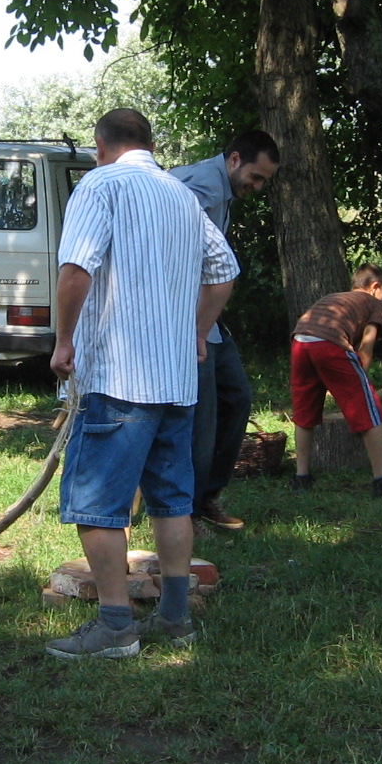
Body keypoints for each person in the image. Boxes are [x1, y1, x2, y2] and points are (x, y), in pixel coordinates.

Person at [47, 109, 239, 659]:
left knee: (96, 504)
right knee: (172, 501)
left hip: (118, 375)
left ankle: (115, 626)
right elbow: (223, 270)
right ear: (149, 145)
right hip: (176, 378)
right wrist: (197, 333)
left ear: (101, 145)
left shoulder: (100, 184)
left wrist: (64, 341)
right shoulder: (182, 194)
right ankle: (175, 618)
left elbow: (76, 269)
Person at [170, 130, 280, 532]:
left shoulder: (219, 186)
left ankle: (205, 497)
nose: (258, 187)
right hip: (186, 321)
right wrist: (195, 325)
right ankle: (186, 510)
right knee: (202, 420)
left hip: (207, 320)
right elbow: (173, 247)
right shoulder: (204, 186)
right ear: (234, 159)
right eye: (256, 176)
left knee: (237, 398)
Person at [288, 265, 382, 497]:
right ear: (375, 287)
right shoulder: (374, 303)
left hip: (300, 342)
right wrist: (360, 383)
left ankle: (301, 477)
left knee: (304, 411)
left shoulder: (335, 298)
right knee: (370, 410)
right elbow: (366, 347)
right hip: (329, 343)